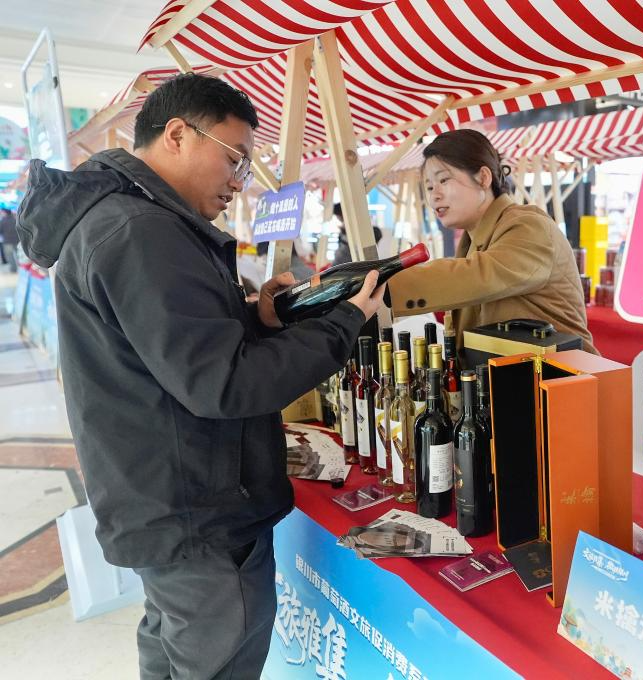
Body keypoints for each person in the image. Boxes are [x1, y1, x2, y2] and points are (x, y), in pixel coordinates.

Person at [15, 73, 386, 680]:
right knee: (217, 660)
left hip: (162, 500)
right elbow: (225, 384)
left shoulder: (120, 219)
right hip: (198, 511)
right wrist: (343, 323)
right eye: (234, 158)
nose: (239, 180)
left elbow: (167, 347)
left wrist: (256, 317)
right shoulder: (142, 230)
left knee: (172, 655)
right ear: (178, 134)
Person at [385, 129, 596, 354]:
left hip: (564, 371)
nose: (434, 195)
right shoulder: (471, 243)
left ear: (483, 178)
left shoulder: (529, 225)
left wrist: (382, 288)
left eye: (443, 180)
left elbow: (476, 275)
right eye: (428, 187)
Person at [0, 207, 17, 272]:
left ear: (5, 213)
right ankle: (21, 268)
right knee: (18, 255)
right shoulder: (15, 220)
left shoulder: (3, 221)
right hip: (16, 240)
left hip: (7, 241)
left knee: (10, 256)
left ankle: (13, 269)